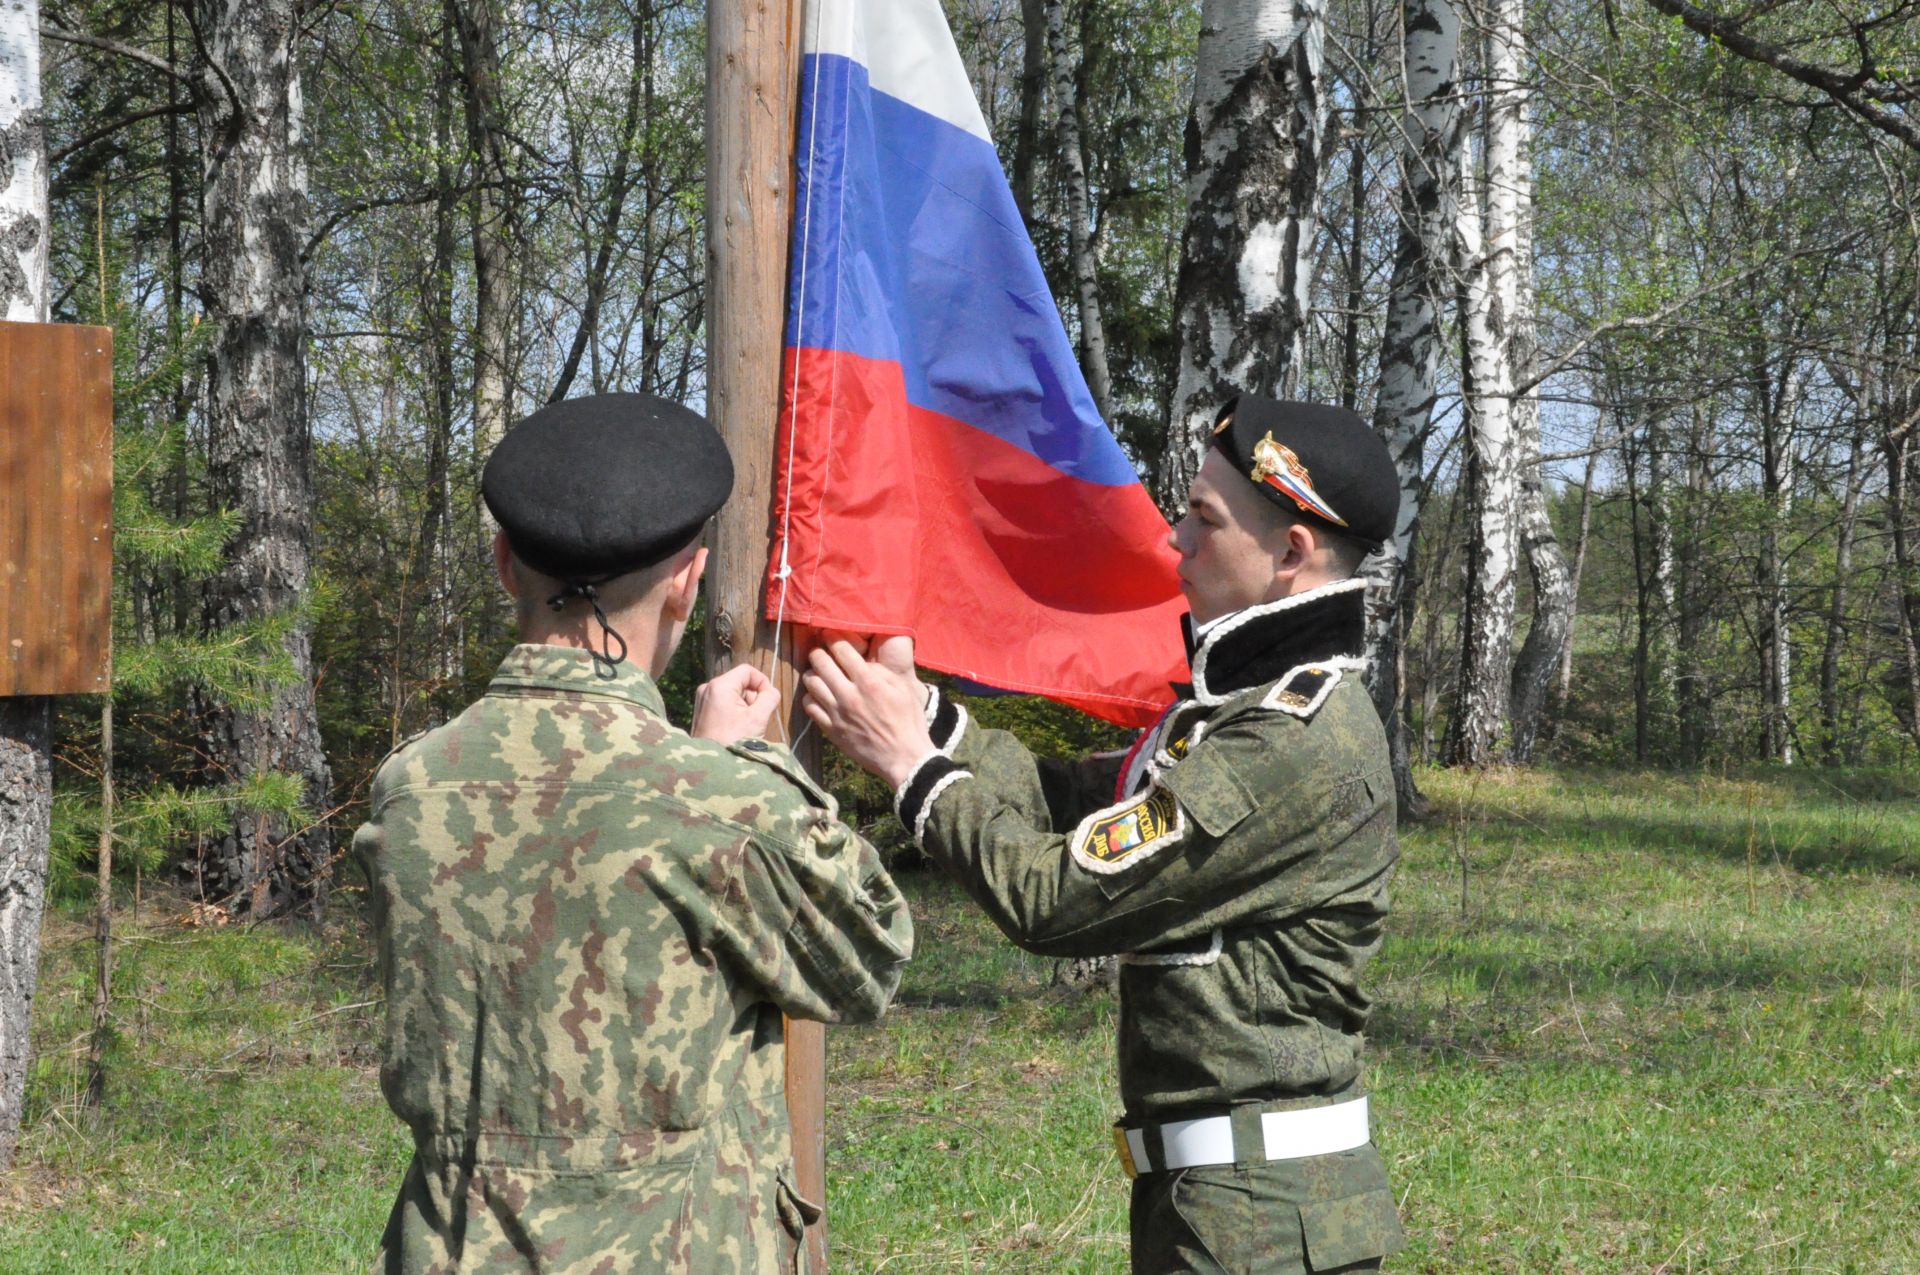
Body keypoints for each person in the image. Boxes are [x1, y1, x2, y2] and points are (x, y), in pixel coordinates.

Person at [802, 395, 1407, 1273]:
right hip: (1233, 1205)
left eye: (1203, 519)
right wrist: (926, 720)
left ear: (1290, 553)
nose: (1176, 542)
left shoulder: (1292, 738)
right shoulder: (1241, 709)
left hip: (1264, 1221)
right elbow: (1077, 807)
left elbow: (1056, 900)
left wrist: (910, 770)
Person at [355, 392, 914, 1275]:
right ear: (689, 581)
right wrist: (747, 768)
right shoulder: (717, 802)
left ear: (504, 564)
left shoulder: (409, 788)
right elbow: (872, 954)